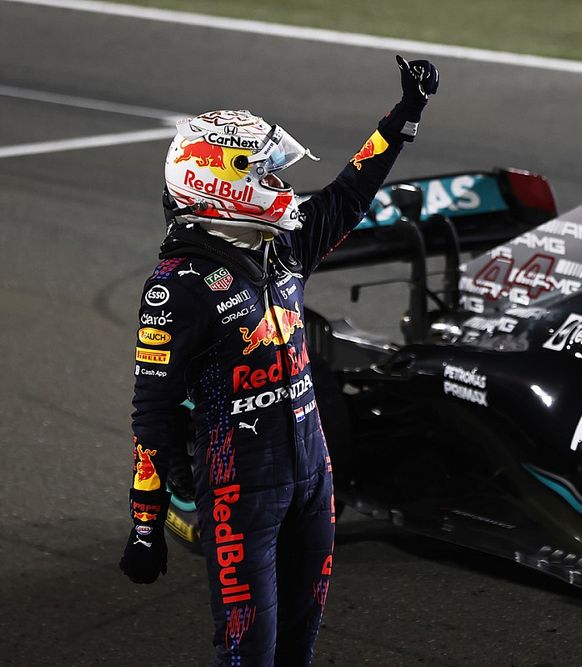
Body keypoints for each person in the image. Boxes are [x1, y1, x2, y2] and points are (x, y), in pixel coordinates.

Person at [119, 55, 439, 664]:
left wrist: (405, 116)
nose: (280, 186)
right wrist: (147, 523)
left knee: (299, 649)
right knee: (250, 653)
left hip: (313, 478)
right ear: (220, 181)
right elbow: (152, 416)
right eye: (264, 172)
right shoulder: (178, 285)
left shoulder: (282, 248)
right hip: (241, 492)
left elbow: (349, 195)